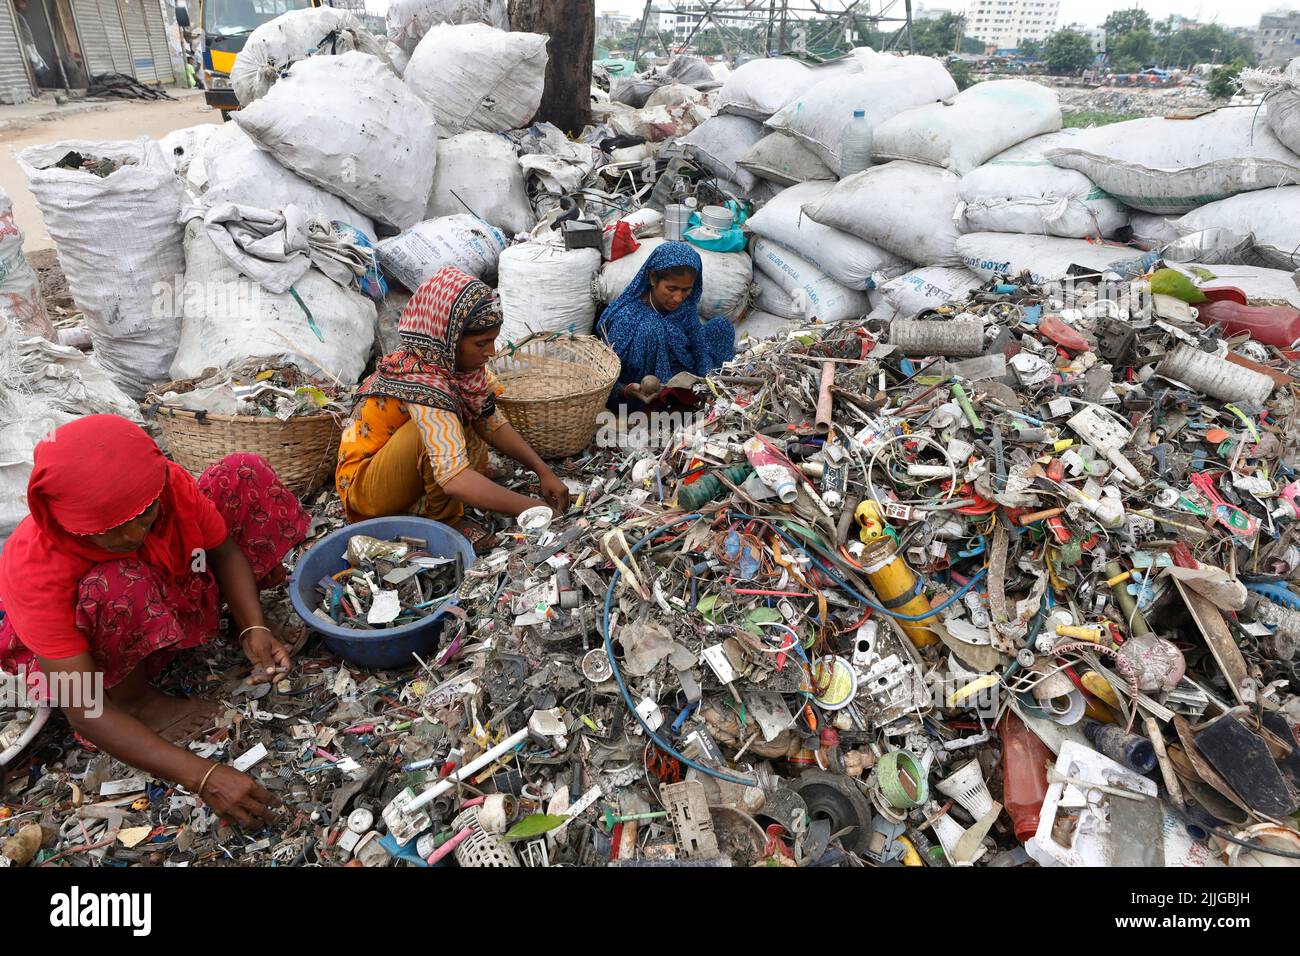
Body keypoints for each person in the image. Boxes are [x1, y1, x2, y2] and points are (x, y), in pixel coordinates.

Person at [0, 415, 309, 828]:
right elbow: (83, 706)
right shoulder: (35, 565)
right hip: (98, 657)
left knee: (242, 473)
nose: (132, 536)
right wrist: (202, 775)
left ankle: (238, 626)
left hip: (175, 588)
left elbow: (223, 551)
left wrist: (252, 623)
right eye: (110, 533)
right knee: (117, 580)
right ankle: (137, 701)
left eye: (145, 517)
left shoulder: (165, 486)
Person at [335, 266, 570, 544]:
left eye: (493, 341)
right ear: (448, 340)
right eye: (481, 343)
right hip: (366, 489)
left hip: (396, 467)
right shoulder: (424, 384)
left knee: (464, 418)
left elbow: (490, 420)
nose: (491, 352)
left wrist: (543, 471)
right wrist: (531, 508)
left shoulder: (454, 367)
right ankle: (447, 521)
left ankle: (435, 503)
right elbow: (454, 479)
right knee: (431, 433)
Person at [596, 241, 735, 408]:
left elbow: (700, 346)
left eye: (685, 290)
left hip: (682, 375)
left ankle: (708, 394)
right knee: (652, 327)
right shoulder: (627, 317)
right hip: (640, 392)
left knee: (721, 326)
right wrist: (626, 390)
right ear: (653, 278)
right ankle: (665, 405)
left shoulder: (685, 306)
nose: (678, 298)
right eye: (671, 288)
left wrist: (707, 379)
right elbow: (607, 375)